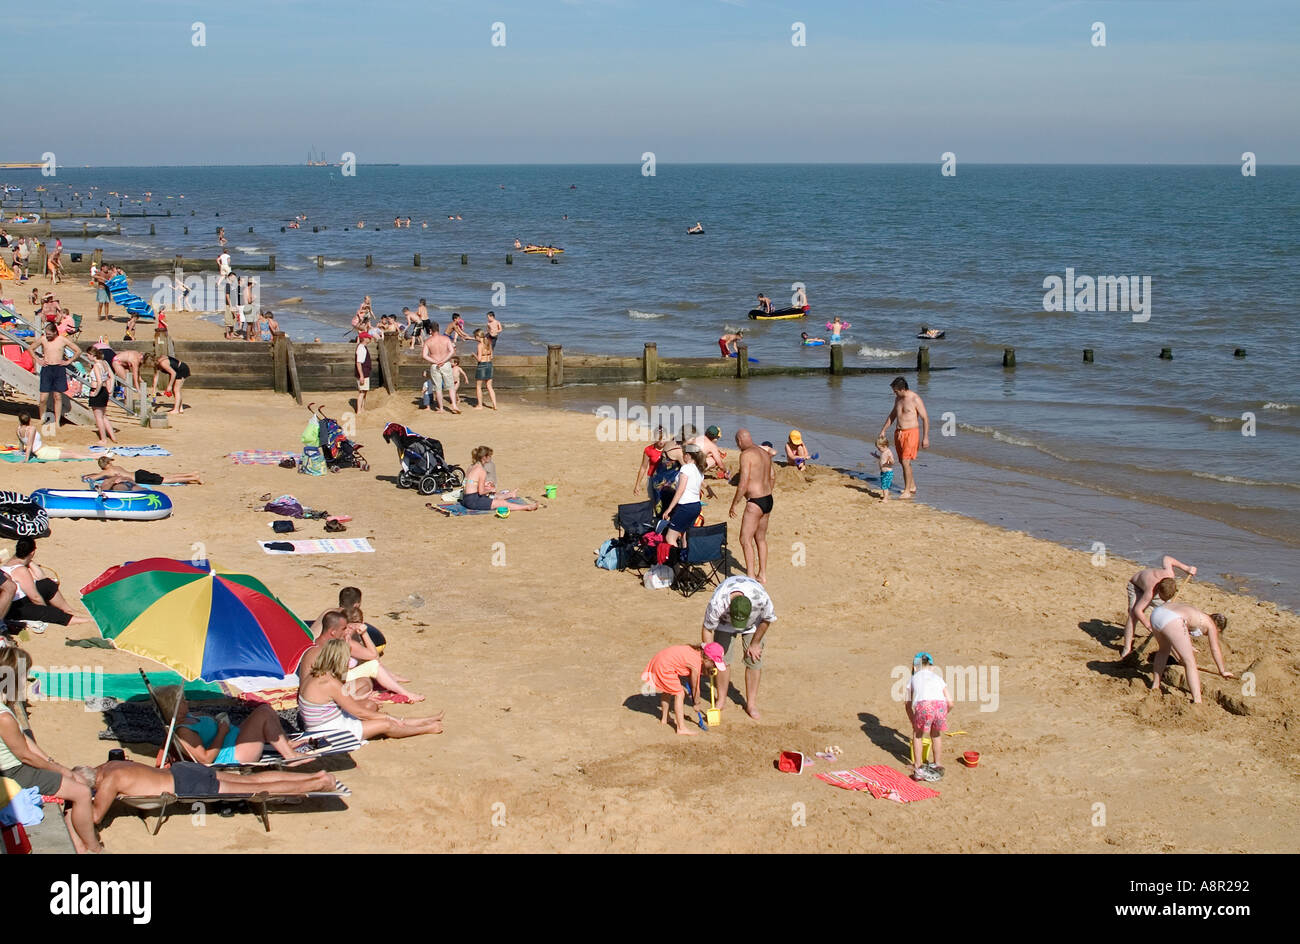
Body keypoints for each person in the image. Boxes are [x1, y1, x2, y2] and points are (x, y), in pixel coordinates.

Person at [0, 648, 103, 853]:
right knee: (82, 792)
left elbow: (27, 744)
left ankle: (78, 845)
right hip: (14, 772)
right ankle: (94, 848)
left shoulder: (4, 706)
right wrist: (62, 771)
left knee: (75, 783)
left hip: (16, 767)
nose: (26, 681)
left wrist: (53, 763)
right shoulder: (4, 716)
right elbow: (25, 755)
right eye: (24, 675)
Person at [77, 760, 337, 824]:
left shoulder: (109, 781)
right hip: (183, 770)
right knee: (252, 779)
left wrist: (76, 805)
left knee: (255, 789)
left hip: (185, 786)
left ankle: (316, 785)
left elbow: (96, 816)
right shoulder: (109, 765)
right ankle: (314, 775)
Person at [297, 639, 444, 742]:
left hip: (324, 724)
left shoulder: (315, 674)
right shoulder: (329, 682)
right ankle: (425, 728)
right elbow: (358, 712)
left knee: (379, 715)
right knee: (385, 723)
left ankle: (424, 720)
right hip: (332, 731)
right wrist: (387, 718)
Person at [155, 687, 306, 765]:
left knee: (264, 709)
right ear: (172, 707)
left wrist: (218, 722)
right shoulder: (184, 732)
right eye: (182, 701)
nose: (186, 702)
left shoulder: (187, 717)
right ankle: (289, 756)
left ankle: (286, 744)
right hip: (234, 755)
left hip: (234, 740)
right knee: (263, 714)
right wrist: (221, 732)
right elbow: (206, 759)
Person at [700, 574, 776, 721]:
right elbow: (707, 628)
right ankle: (721, 699)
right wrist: (710, 653)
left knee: (754, 659)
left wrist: (755, 644)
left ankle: (751, 704)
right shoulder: (718, 602)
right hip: (724, 624)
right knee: (721, 660)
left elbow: (767, 619)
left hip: (753, 625)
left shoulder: (760, 598)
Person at [1147, 604, 1232, 704]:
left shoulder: (1199, 614)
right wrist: (1222, 670)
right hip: (1172, 619)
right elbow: (1215, 649)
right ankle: (1197, 701)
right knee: (1190, 663)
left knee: (1163, 650)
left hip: (1157, 613)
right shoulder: (1211, 625)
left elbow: (1174, 638)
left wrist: (1179, 657)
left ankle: (1155, 686)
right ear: (1218, 629)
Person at [1, 537, 93, 629]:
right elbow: (35, 597)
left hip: (17, 599)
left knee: (47, 584)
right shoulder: (21, 570)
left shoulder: (10, 563)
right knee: (52, 613)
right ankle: (87, 621)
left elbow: (41, 577)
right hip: (14, 607)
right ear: (32, 552)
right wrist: (44, 608)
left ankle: (68, 610)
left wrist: (29, 561)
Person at [642, 642, 726, 735]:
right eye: (714, 664)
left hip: (660, 661)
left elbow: (690, 679)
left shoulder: (696, 652)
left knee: (668, 690)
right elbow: (695, 687)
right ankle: (681, 728)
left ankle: (665, 718)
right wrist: (697, 703)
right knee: (680, 693)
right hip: (663, 666)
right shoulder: (696, 664)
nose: (714, 667)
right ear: (707, 660)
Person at [1122, 555, 1196, 658]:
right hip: (1136, 587)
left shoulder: (1170, 574)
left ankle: (1184, 643)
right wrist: (1148, 625)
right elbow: (1138, 610)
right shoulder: (1150, 591)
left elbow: (1167, 559)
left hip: (1157, 588)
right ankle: (1127, 648)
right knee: (1132, 616)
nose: (1164, 601)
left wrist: (1186, 568)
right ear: (1158, 592)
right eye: (1163, 598)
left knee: (1170, 614)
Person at [730, 429, 775, 585]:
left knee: (745, 538)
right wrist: (767, 491)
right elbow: (772, 476)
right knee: (760, 538)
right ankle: (762, 574)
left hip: (755, 501)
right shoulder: (763, 452)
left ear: (739, 441)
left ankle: (750, 575)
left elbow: (743, 483)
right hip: (768, 498)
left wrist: (734, 503)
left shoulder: (746, 455)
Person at [903, 652, 953, 782]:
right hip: (940, 705)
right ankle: (937, 763)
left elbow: (907, 705)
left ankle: (918, 766)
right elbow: (950, 702)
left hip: (924, 705)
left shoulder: (912, 679)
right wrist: (943, 714)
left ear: (914, 668)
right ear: (932, 667)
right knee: (935, 734)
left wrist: (914, 721)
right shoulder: (938, 678)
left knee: (917, 734)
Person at [877, 376, 929, 499]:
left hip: (911, 433)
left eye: (895, 391)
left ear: (902, 389)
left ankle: (907, 491)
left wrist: (925, 437)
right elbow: (893, 415)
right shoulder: (898, 399)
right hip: (898, 433)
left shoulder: (914, 399)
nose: (894, 393)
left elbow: (925, 418)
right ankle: (912, 486)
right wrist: (884, 430)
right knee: (902, 461)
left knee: (906, 461)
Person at [26, 322, 80, 427]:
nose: (47, 335)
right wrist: (38, 360)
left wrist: (68, 361)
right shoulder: (43, 339)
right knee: (43, 398)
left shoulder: (62, 340)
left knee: (57, 396)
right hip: (47, 368)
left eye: (49, 334)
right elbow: (30, 348)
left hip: (58, 369)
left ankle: (57, 421)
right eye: (46, 333)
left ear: (55, 332)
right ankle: (42, 418)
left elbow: (78, 351)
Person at [462, 446, 538, 512]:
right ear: (484, 457)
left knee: (494, 495)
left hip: (465, 499)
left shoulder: (471, 467)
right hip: (473, 501)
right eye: (490, 456)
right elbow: (481, 492)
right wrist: (490, 490)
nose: (491, 458)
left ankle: (510, 494)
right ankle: (527, 507)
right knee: (501, 503)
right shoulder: (481, 471)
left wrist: (485, 485)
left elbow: (470, 483)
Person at [661, 443, 707, 552]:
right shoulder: (699, 470)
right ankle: (686, 561)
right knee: (685, 536)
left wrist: (669, 509)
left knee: (670, 537)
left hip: (685, 506)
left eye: (683, 454)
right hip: (696, 506)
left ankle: (676, 564)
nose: (682, 457)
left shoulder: (686, 468)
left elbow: (680, 491)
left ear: (688, 455)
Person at [16, 411, 93, 463]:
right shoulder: (31, 429)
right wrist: (26, 459)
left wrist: (21, 451)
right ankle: (96, 457)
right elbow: (29, 445)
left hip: (44, 450)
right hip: (43, 452)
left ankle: (98, 455)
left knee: (71, 452)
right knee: (73, 455)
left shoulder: (18, 429)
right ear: (29, 419)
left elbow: (21, 443)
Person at [87, 455, 202, 488]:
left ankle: (193, 478)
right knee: (166, 477)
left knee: (166, 480)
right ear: (109, 462)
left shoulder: (107, 471)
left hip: (140, 478)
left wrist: (88, 477)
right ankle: (191, 474)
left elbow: (93, 478)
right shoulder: (116, 467)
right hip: (139, 473)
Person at [420, 323, 460, 413]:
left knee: (438, 388)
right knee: (451, 386)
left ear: (430, 330)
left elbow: (424, 355)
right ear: (438, 329)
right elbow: (451, 351)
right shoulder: (445, 339)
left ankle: (441, 408)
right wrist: (443, 360)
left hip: (435, 365)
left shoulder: (428, 341)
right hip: (445, 364)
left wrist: (436, 362)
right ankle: (454, 405)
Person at [86, 347, 117, 446]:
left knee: (98, 417)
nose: (87, 356)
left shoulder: (96, 365)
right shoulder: (105, 363)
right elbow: (112, 377)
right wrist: (110, 390)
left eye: (88, 355)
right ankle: (113, 436)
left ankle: (103, 439)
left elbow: (99, 382)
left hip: (97, 390)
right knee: (103, 416)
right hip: (104, 391)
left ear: (92, 355)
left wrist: (95, 393)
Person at [633, 427, 670, 504]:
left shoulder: (670, 449)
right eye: (659, 439)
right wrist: (637, 484)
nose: (661, 441)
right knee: (654, 502)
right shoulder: (648, 450)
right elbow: (643, 467)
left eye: (663, 438)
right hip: (652, 479)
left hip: (666, 479)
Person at [472, 328, 497, 410]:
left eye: (475, 337)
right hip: (489, 364)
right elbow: (492, 356)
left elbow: (479, 359)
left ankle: (480, 405)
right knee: (489, 386)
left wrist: (473, 355)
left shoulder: (480, 345)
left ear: (478, 336)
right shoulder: (489, 343)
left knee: (478, 386)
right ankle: (494, 405)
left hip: (482, 365)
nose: (475, 339)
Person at [873, 434, 896, 500]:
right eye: (877, 448)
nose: (878, 449)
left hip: (888, 472)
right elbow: (881, 458)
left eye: (879, 448)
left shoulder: (888, 452)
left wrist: (890, 461)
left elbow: (893, 462)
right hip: (883, 472)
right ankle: (885, 496)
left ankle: (885, 498)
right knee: (884, 485)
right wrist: (876, 456)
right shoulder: (883, 452)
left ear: (884, 446)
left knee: (885, 486)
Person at [355, 335, 371, 414]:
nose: (370, 339)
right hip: (363, 374)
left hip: (365, 373)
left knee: (364, 391)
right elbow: (358, 363)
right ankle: (359, 411)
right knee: (362, 392)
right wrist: (361, 375)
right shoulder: (361, 348)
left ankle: (362, 408)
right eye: (368, 337)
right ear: (364, 339)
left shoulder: (362, 347)